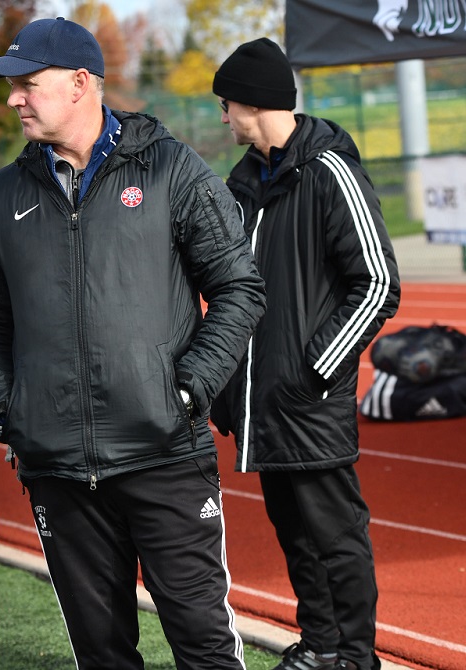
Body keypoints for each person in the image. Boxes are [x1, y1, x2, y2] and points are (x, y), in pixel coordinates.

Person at [0, 17, 267, 669]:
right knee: (102, 658)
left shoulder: (171, 170)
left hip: (164, 457)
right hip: (58, 471)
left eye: (26, 84)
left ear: (78, 84)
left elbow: (240, 287)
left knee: (204, 648)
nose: (13, 98)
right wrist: (9, 411)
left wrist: (187, 387)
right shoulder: (2, 196)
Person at [211, 38, 400, 670]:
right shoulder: (241, 186)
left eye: (226, 104)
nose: (222, 117)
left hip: (308, 401)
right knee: (294, 533)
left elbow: (376, 282)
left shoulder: (329, 172)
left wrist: (315, 371)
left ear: (255, 103)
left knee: (335, 534)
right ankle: (321, 644)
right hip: (261, 406)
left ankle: (354, 655)